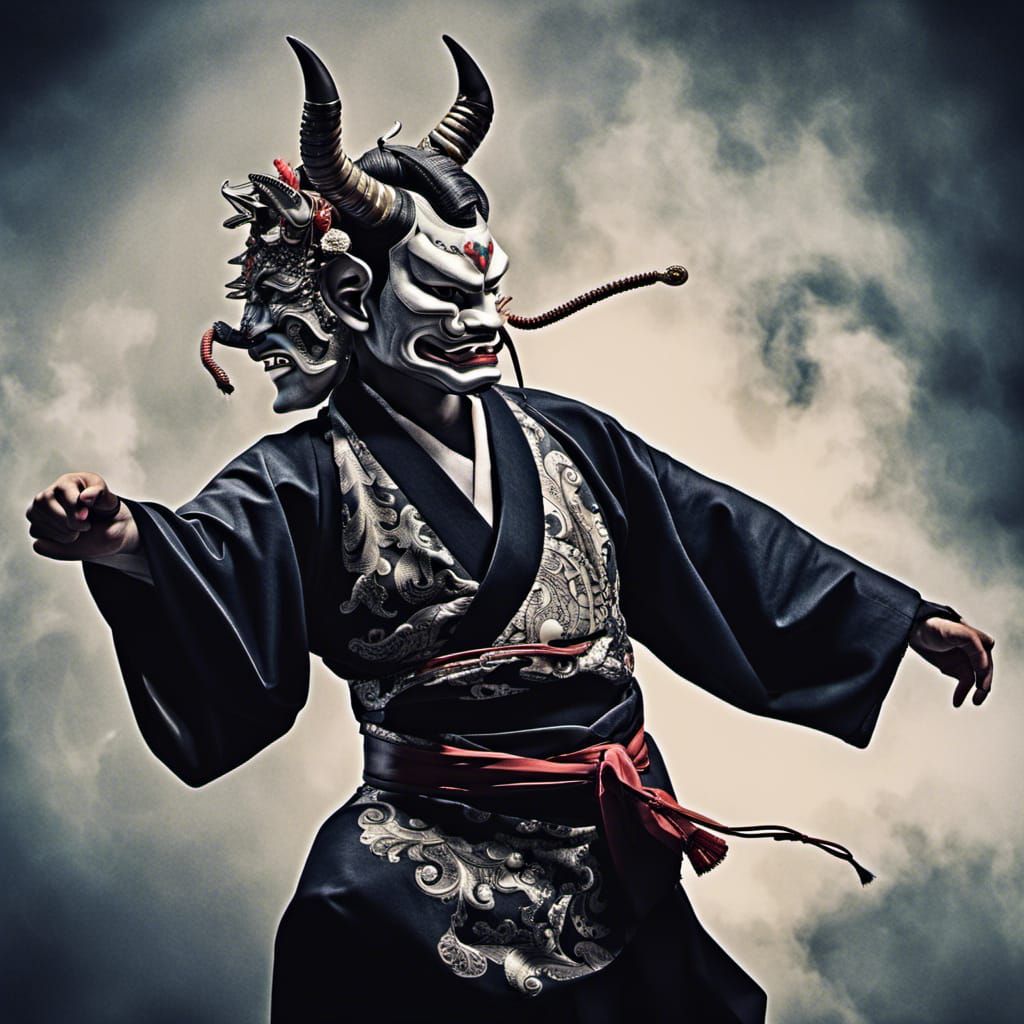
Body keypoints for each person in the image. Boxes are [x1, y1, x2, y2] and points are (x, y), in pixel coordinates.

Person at [26, 37, 994, 1024]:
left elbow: (722, 537)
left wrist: (903, 619)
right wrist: (117, 538)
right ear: (356, 301)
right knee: (336, 926)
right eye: (446, 293)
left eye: (489, 286)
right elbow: (213, 557)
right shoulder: (307, 476)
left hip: (605, 846)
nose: (484, 315)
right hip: (422, 843)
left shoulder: (572, 440)